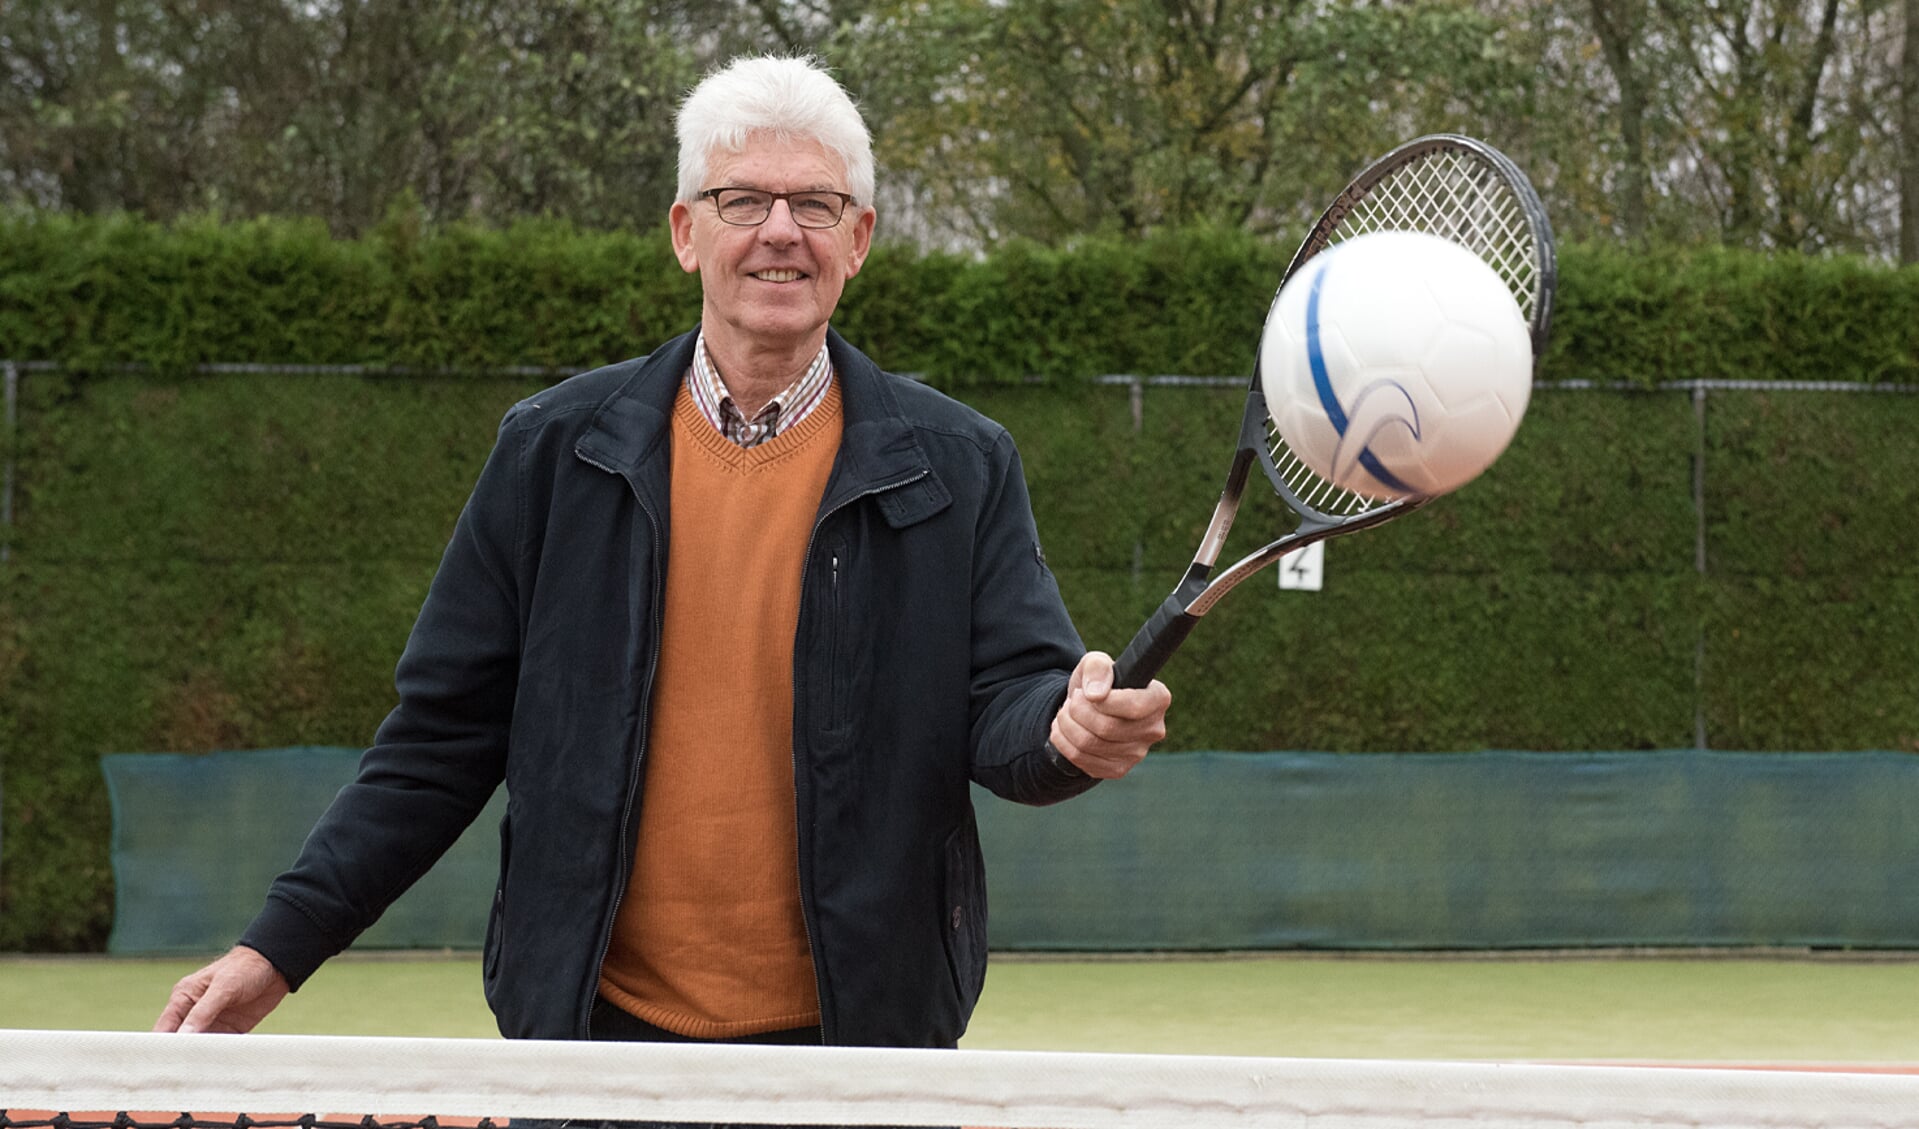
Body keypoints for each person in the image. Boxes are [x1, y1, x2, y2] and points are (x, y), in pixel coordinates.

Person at [154, 54, 1171, 1050]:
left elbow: (1013, 706)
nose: (781, 231)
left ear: (857, 239)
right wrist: (275, 949)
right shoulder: (551, 450)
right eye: (742, 201)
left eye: (815, 205)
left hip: (861, 1058)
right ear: (686, 233)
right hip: (593, 1053)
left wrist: (1065, 728)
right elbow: (436, 744)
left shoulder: (962, 462)